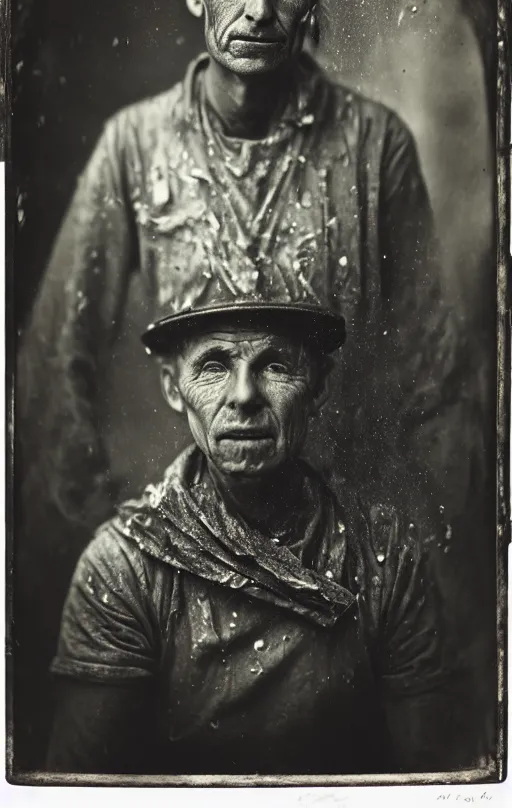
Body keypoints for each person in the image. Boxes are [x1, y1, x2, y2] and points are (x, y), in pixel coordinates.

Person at [18, 0, 473, 531]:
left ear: (312, 2)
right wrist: (122, 545)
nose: (260, 9)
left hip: (340, 552)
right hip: (182, 552)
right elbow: (53, 372)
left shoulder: (377, 146)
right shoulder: (135, 146)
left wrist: (401, 558)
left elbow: (435, 386)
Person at [46, 284, 470, 775]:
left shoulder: (385, 552)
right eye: (213, 366)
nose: (243, 395)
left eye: (275, 365)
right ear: (171, 386)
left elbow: (436, 780)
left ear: (318, 387)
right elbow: (83, 791)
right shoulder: (122, 566)